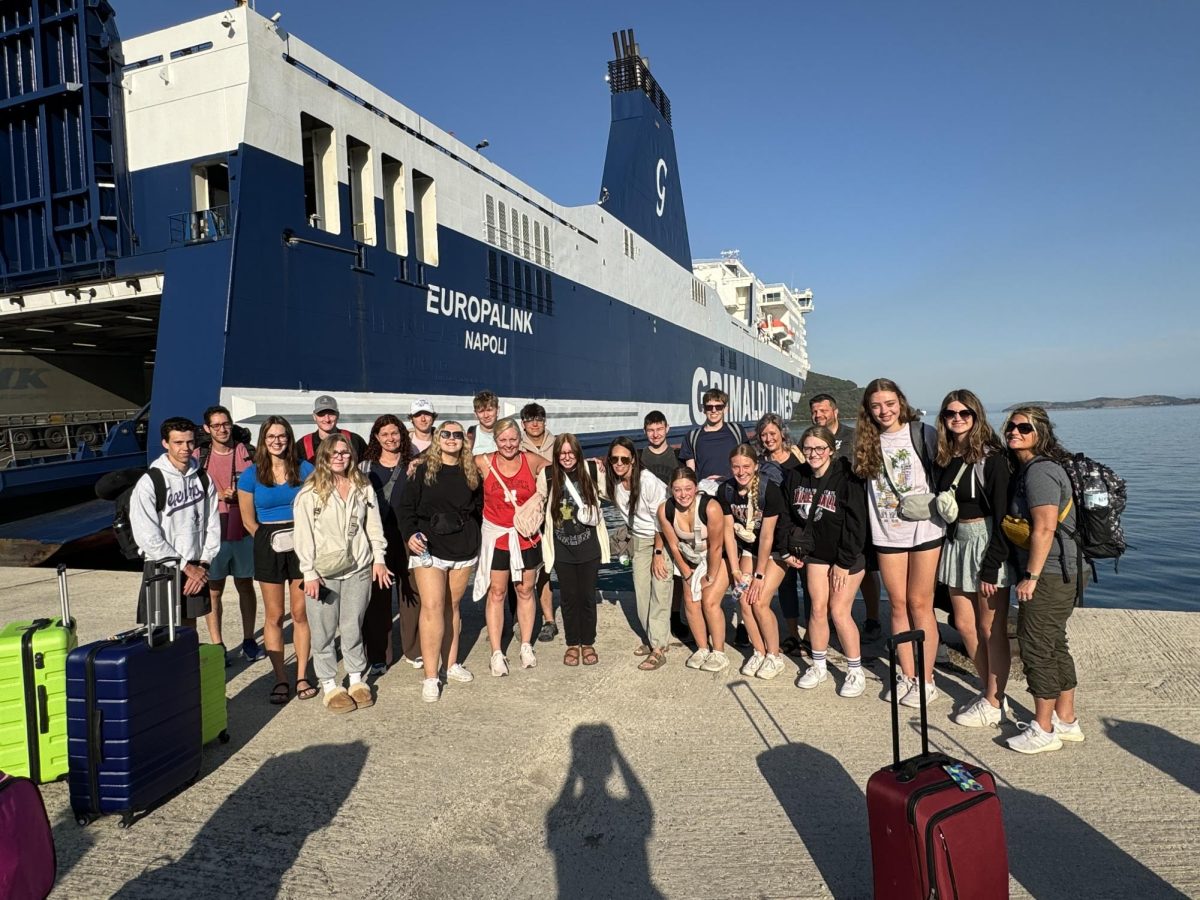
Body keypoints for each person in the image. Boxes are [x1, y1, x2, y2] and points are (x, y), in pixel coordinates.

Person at [852, 379, 945, 708]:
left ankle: (927, 679)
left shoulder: (922, 433)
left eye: (889, 403)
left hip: (925, 530)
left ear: (900, 402)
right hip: (887, 532)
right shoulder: (866, 440)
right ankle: (908, 675)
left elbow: (946, 470)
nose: (884, 411)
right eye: (876, 405)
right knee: (898, 605)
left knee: (921, 604)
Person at [1002, 407, 1086, 754]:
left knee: (1035, 645)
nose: (1015, 432)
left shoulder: (1040, 472)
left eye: (1024, 427)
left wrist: (1031, 576)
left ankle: (1044, 728)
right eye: (1011, 426)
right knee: (1054, 643)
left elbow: (1045, 527)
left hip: (1050, 572)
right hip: (1065, 570)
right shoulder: (1035, 468)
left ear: (1041, 433)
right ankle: (1067, 720)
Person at [293, 436, 391, 714]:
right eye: (334, 453)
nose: (340, 457)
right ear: (323, 456)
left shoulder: (363, 487)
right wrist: (309, 573)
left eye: (345, 453)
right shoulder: (310, 492)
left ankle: (357, 679)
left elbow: (373, 526)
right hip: (323, 573)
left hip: (358, 567)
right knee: (323, 630)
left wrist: (379, 559)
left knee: (352, 625)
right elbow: (303, 536)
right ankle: (328, 684)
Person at [934, 391, 1015, 728]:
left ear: (977, 415)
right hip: (956, 543)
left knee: (990, 628)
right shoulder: (945, 455)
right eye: (951, 413)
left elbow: (1002, 515)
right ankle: (991, 692)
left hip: (985, 541)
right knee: (965, 625)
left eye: (964, 413)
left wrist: (994, 562)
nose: (957, 418)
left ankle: (994, 701)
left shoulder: (992, 458)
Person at [398, 421, 483, 702]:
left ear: (464, 440)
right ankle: (431, 677)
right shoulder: (422, 469)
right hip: (428, 547)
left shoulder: (472, 472)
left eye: (457, 435)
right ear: (437, 438)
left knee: (453, 606)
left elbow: (479, 509)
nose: (451, 439)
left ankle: (452, 663)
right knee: (432, 607)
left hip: (462, 547)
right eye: (445, 434)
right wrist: (410, 534)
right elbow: (405, 507)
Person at [782, 426, 869, 697]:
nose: (814, 454)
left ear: (831, 449)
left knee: (839, 610)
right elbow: (786, 515)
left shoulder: (847, 479)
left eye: (820, 448)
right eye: (808, 448)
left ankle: (855, 670)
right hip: (816, 553)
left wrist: (843, 562)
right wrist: (788, 548)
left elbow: (858, 525)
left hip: (847, 555)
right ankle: (818, 665)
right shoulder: (796, 476)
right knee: (817, 608)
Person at [237, 416, 316, 704]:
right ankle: (281, 677)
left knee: (300, 613)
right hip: (267, 543)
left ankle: (302, 675)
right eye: (271, 436)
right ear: (263, 440)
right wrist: (270, 541)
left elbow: (318, 505)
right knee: (273, 615)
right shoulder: (251, 474)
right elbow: (248, 520)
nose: (277, 441)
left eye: (282, 436)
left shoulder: (305, 469)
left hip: (301, 542)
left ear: (289, 438)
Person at [474, 417, 549, 676]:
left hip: (526, 536)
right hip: (497, 537)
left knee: (526, 589)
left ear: (520, 439)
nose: (508, 445)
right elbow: (448, 465)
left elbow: (562, 468)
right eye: (503, 440)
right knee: (496, 592)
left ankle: (526, 644)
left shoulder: (532, 460)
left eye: (513, 439)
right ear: (495, 441)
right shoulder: (483, 462)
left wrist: (591, 464)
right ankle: (496, 651)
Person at [130, 416, 220, 629]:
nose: (185, 448)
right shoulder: (150, 482)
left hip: (197, 565)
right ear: (165, 443)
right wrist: (186, 567)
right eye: (178, 443)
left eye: (190, 442)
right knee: (161, 633)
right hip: (162, 566)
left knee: (189, 629)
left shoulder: (203, 478)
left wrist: (203, 564)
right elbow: (147, 536)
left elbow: (213, 525)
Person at [811, 393, 881, 644]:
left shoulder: (853, 437)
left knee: (866, 568)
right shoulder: (811, 438)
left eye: (823, 411)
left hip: (857, 511)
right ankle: (836, 618)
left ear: (835, 411)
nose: (819, 415)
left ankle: (872, 618)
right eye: (815, 412)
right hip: (827, 514)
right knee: (831, 569)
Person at [195, 405, 263, 662]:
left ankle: (249, 640)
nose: (222, 429)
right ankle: (218, 645)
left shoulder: (248, 453)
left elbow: (262, 482)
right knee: (214, 589)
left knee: (245, 584)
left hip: (242, 529)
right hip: (213, 532)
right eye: (216, 426)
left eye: (226, 424)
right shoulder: (199, 456)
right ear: (207, 429)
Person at [720, 443, 788, 679]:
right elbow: (728, 532)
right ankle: (759, 651)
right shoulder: (726, 491)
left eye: (746, 466)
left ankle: (774, 655)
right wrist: (736, 569)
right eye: (736, 467)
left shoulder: (769, 491)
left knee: (758, 601)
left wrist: (759, 575)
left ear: (756, 466)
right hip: (749, 550)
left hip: (775, 552)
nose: (741, 472)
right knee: (742, 600)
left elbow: (768, 535)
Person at [540, 433, 609, 666]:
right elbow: (538, 503)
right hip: (561, 547)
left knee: (587, 596)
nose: (567, 457)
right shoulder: (548, 475)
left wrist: (607, 467)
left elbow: (610, 492)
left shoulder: (590, 470)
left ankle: (588, 641)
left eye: (571, 452)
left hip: (588, 545)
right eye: (562, 453)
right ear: (557, 454)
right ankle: (572, 643)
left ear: (578, 453)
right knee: (569, 597)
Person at [360, 414, 421, 676]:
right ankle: (378, 656)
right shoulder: (364, 468)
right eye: (384, 434)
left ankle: (414, 649)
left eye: (395, 433)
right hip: (377, 540)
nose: (390, 438)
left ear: (402, 435)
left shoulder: (414, 465)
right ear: (376, 437)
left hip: (407, 539)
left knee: (412, 595)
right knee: (378, 599)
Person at [605, 436, 672, 671]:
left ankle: (658, 648)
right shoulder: (614, 484)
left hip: (661, 539)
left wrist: (658, 551)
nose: (619, 463)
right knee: (642, 594)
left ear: (633, 459)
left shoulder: (648, 482)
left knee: (660, 592)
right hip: (639, 539)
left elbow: (662, 520)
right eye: (615, 459)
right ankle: (654, 637)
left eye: (624, 458)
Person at [657, 467, 730, 672]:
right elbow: (673, 545)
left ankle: (719, 651)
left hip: (716, 557)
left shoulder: (710, 507)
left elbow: (717, 545)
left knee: (709, 600)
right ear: (671, 490)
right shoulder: (665, 510)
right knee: (690, 600)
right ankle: (702, 648)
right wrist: (687, 574)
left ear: (696, 488)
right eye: (677, 490)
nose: (683, 495)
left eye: (688, 488)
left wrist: (711, 575)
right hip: (689, 557)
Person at [756, 413, 804, 654]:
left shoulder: (797, 459)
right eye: (764, 434)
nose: (768, 438)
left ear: (782, 433)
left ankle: (818, 632)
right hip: (774, 531)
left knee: (810, 584)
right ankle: (793, 634)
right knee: (785, 586)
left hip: (799, 530)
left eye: (772, 433)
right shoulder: (760, 464)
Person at [519, 402, 557, 640]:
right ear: (523, 423)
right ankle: (520, 619)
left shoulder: (558, 444)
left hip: (553, 513)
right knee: (522, 570)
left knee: (547, 569)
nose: (534, 423)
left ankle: (549, 619)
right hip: (525, 516)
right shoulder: (515, 445)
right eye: (530, 419)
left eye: (539, 419)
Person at [679, 388, 745, 488]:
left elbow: (746, 461)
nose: (714, 410)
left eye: (718, 407)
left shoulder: (737, 431)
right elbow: (690, 474)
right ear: (703, 409)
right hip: (705, 492)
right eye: (709, 407)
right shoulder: (692, 437)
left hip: (733, 489)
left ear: (725, 409)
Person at [299, 394, 367, 463]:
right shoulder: (302, 445)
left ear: (338, 415)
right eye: (321, 414)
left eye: (331, 414)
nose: (327, 419)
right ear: (314, 417)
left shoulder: (354, 440)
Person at [640, 411, 680, 486]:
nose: (655, 435)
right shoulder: (639, 457)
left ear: (667, 428)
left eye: (659, 429)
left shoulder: (678, 456)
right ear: (644, 431)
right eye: (650, 430)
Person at [467, 390, 500, 455]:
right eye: (481, 411)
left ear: (498, 410)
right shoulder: (470, 438)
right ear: (476, 414)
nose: (486, 415)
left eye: (489, 410)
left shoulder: (508, 432)